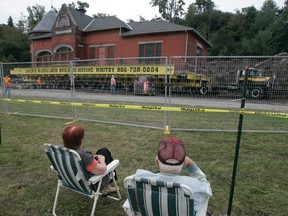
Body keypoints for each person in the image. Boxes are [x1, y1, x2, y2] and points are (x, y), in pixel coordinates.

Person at [134, 137, 212, 216]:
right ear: (184, 164)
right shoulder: (193, 186)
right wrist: (191, 164)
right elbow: (207, 188)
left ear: (157, 163)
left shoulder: (138, 178)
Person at [62, 125, 117, 195]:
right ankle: (107, 187)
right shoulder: (84, 155)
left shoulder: (60, 151)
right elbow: (102, 170)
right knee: (104, 153)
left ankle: (108, 187)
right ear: (80, 140)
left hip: (70, 180)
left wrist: (93, 157)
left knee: (102, 151)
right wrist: (102, 159)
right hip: (88, 182)